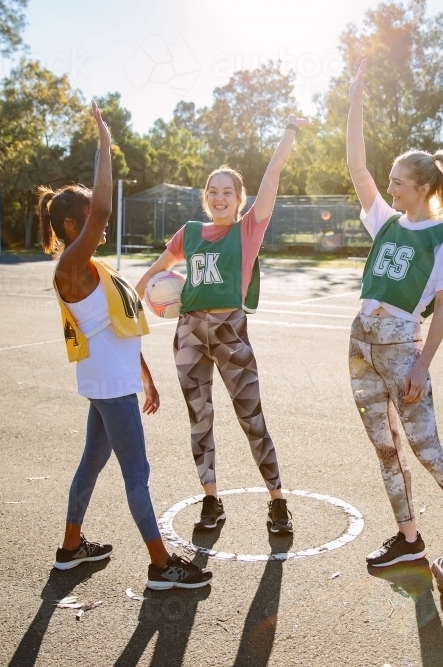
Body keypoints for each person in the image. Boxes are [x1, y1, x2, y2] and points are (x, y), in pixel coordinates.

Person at [42, 101, 211, 591]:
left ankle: (70, 549)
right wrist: (102, 142)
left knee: (92, 463)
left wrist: (147, 375)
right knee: (137, 473)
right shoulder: (71, 265)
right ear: (73, 225)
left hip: (112, 379)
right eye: (89, 216)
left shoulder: (95, 268)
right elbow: (103, 206)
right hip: (108, 384)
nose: (102, 222)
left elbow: (117, 322)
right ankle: (162, 566)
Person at [137, 114, 312, 535]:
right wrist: (126, 302)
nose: (220, 197)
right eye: (213, 191)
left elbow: (271, 179)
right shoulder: (189, 233)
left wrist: (289, 131)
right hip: (189, 336)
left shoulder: (248, 230)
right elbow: (156, 272)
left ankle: (277, 502)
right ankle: (211, 499)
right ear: (205, 197)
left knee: (253, 419)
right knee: (200, 418)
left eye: (227, 192)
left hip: (231, 335)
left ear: (238, 199)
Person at [346, 59, 443, 568]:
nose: (391, 189)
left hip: (404, 347)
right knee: (385, 449)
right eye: (391, 182)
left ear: (424, 187)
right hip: (361, 340)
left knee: (426, 448)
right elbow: (356, 167)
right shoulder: (385, 221)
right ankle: (409, 539)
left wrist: (423, 364)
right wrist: (356, 98)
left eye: (400, 183)